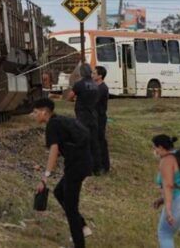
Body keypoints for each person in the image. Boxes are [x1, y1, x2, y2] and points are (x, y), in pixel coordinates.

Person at [32, 98, 93, 248]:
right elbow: (63, 146)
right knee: (59, 192)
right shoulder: (60, 120)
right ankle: (82, 226)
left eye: (35, 112)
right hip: (82, 163)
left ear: (44, 112)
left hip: (76, 166)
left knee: (71, 208)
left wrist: (45, 178)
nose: (33, 115)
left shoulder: (52, 125)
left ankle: (79, 243)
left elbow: (53, 151)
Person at [68, 63, 101, 174]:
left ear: (81, 73)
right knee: (94, 143)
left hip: (82, 116)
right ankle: (96, 168)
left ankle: (84, 167)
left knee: (82, 142)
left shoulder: (79, 84)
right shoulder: (96, 85)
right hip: (93, 116)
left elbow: (69, 97)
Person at [92, 65, 110, 174]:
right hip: (94, 117)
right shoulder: (95, 86)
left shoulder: (102, 88)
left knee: (100, 141)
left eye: (94, 73)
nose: (92, 75)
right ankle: (96, 165)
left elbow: (93, 101)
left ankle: (104, 166)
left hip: (100, 118)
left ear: (100, 76)